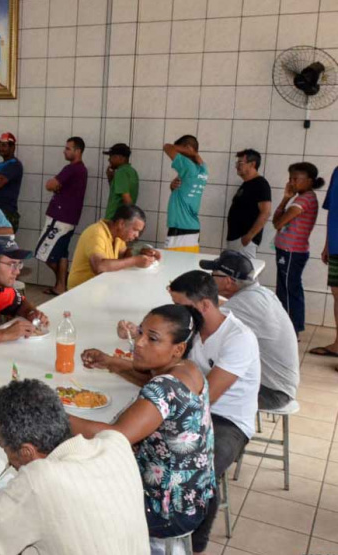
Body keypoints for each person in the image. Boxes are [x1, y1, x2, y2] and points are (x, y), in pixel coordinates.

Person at [118, 271, 259, 554]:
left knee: (202, 468)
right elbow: (169, 385)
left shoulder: (238, 338)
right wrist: (126, 351)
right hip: (191, 409)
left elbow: (201, 395)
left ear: (204, 305)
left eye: (182, 306)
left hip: (226, 418)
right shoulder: (190, 334)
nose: (179, 314)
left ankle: (194, 545)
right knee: (145, 451)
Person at [0, 379, 149, 555]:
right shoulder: (116, 443)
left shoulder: (40, 479)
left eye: (3, 447)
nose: (6, 458)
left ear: (26, 452)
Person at [74, 305, 214, 544]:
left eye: (152, 339)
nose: (138, 343)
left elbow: (117, 436)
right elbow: (150, 378)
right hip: (192, 498)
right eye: (140, 332)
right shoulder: (190, 370)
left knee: (71, 495)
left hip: (163, 510)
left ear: (178, 349)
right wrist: (111, 363)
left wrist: (52, 414)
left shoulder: (163, 388)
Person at [201, 251, 299, 411]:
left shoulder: (243, 304)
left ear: (228, 282)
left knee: (195, 379)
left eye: (213, 275)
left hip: (270, 393)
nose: (210, 279)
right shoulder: (260, 294)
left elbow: (203, 326)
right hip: (280, 386)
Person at [274, 162, 323, 335]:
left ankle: (292, 329)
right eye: (290, 179)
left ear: (309, 181)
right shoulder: (299, 197)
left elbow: (278, 223)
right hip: (287, 251)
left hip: (292, 252)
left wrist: (287, 200)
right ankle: (288, 328)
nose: (291, 182)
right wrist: (286, 198)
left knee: (289, 290)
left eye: (296, 179)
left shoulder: (305, 199)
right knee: (284, 288)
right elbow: (276, 222)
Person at [35, 136, 88, 296]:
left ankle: (66, 279)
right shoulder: (82, 170)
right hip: (69, 218)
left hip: (60, 218)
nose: (64, 151)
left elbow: (50, 184)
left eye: (68, 148)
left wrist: (55, 185)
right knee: (62, 254)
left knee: (43, 253)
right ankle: (61, 287)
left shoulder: (72, 168)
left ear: (77, 151)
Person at [66, 204, 161, 290]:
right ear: (121, 224)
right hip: (81, 291)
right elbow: (99, 267)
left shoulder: (118, 236)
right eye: (135, 230)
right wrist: (135, 260)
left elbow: (123, 255)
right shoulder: (96, 232)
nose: (137, 235)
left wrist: (142, 253)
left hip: (99, 287)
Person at [163, 135, 208, 253]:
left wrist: (189, 152)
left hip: (180, 231)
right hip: (191, 229)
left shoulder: (188, 167)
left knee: (173, 268)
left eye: (180, 150)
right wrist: (173, 188)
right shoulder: (203, 169)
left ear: (187, 148)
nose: (178, 154)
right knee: (186, 267)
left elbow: (167, 147)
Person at [226, 149, 270, 258]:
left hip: (244, 242)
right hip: (236, 239)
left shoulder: (260, 184)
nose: (237, 166)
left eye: (240, 163)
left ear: (252, 164)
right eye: (237, 163)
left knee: (246, 274)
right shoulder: (246, 184)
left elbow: (266, 212)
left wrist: (248, 237)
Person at [315, 166, 338, 358]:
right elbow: (332, 211)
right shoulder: (337, 172)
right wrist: (327, 244)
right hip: (336, 244)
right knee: (337, 294)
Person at [103, 143, 139, 220]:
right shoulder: (132, 171)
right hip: (120, 220)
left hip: (115, 220)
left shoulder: (121, 172)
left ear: (120, 158)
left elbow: (127, 199)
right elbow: (117, 194)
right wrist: (111, 179)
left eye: (111, 157)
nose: (109, 159)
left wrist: (128, 221)